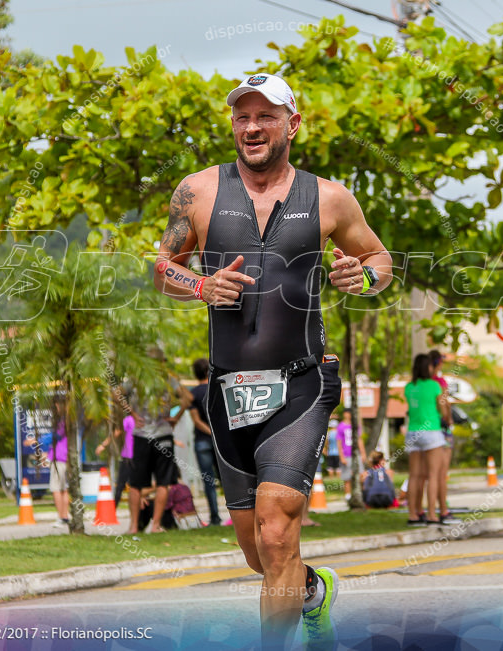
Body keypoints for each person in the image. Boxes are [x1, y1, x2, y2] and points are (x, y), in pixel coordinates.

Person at [153, 72, 392, 648]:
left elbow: (380, 260)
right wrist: (202, 287)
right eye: (243, 116)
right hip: (229, 388)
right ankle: (313, 592)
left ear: (293, 123)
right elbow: (162, 267)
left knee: (279, 529)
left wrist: (361, 277)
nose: (252, 127)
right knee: (260, 552)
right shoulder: (198, 191)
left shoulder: (329, 197)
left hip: (301, 383)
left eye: (265, 116)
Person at [126, 367, 191, 535]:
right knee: (163, 483)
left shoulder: (136, 379)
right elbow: (188, 398)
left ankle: (133, 527)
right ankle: (155, 526)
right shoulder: (168, 379)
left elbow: (115, 393)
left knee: (135, 484)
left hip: (141, 435)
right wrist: (176, 418)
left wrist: (132, 413)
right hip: (163, 436)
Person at [404, 353, 452, 527]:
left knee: (414, 476)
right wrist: (445, 415)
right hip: (431, 431)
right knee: (433, 475)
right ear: (428, 367)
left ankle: (413, 515)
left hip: (412, 432)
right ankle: (432, 514)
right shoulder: (433, 386)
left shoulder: (409, 387)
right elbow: (442, 409)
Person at [189, 358, 222, 526]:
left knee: (208, 481)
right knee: (228, 480)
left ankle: (215, 517)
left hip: (202, 442)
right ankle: (239, 516)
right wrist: (216, 433)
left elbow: (196, 421)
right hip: (220, 440)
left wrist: (208, 432)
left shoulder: (193, 393)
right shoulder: (217, 389)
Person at [429, 349, 453, 520]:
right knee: (441, 473)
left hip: (423, 429)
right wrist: (449, 419)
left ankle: (428, 511)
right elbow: (444, 404)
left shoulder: (420, 383)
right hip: (441, 429)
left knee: (427, 474)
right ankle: (443, 509)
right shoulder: (439, 382)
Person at [95, 413, 135, 508]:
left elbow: (116, 432)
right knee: (122, 485)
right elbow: (117, 432)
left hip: (136, 457)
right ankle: (113, 509)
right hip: (128, 457)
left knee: (126, 485)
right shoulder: (130, 420)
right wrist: (103, 445)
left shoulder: (139, 420)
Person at [47, 400, 70, 526]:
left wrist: (36, 440)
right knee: (63, 489)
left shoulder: (63, 422)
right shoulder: (69, 420)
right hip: (64, 457)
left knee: (56, 488)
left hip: (59, 458)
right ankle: (64, 516)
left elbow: (54, 436)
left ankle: (62, 517)